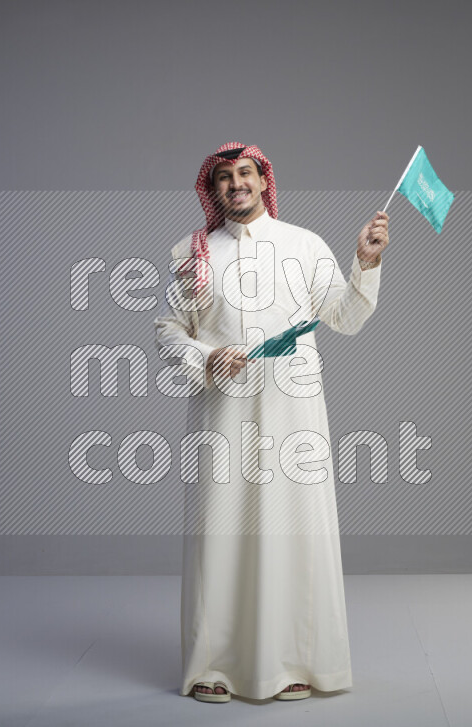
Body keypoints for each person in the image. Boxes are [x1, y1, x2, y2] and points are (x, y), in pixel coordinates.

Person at [153, 142, 389, 703]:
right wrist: (205, 358)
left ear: (264, 182)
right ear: (212, 191)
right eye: (225, 178)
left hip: (294, 413)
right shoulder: (193, 253)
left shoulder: (305, 245)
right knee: (221, 534)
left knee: (295, 532)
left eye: (246, 174)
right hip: (223, 412)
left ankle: (294, 663)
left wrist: (368, 261)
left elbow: (347, 317)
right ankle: (213, 667)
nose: (237, 184)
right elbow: (166, 331)